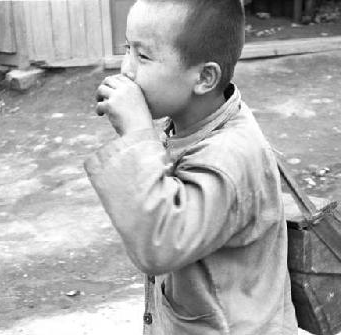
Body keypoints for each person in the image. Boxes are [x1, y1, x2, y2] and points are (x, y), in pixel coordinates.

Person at [84, 0, 298, 334]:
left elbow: (161, 242)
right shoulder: (195, 124)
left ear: (204, 77)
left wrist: (139, 135)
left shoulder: (229, 157)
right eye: (128, 48)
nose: (126, 69)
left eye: (143, 56)